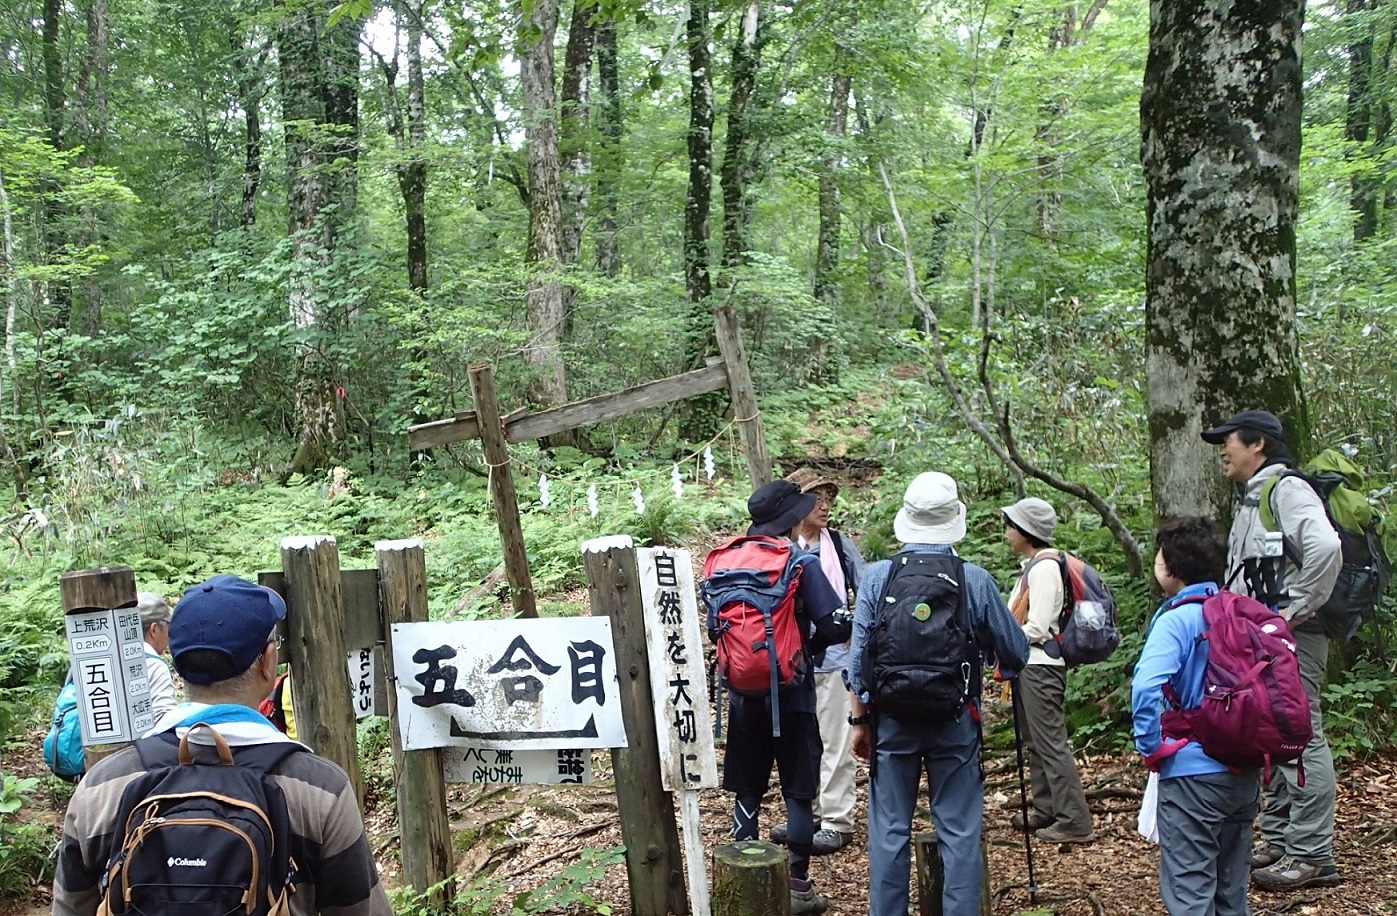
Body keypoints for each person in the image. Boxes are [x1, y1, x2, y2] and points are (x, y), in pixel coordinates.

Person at [53, 574, 392, 916]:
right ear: (268, 661)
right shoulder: (319, 789)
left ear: (177, 664)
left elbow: (70, 908)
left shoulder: (102, 787)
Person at [848, 472, 1030, 916]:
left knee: (890, 831)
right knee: (960, 832)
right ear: (954, 521)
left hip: (891, 722)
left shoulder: (877, 577)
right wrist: (995, 659)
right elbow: (1017, 652)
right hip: (956, 721)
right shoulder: (974, 579)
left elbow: (857, 665)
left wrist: (860, 721)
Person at [1201, 409, 1343, 891]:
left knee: (1302, 734)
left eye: (1229, 441)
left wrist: (1287, 614)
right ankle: (1284, 840)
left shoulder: (1286, 489)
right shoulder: (1257, 494)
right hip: (1269, 639)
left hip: (1293, 636)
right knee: (1274, 733)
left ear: (1257, 444)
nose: (1223, 450)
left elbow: (1325, 547)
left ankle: (1312, 853)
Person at [719, 479, 850, 915]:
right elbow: (835, 626)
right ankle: (796, 887)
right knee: (797, 794)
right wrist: (803, 652)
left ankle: (744, 877)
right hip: (792, 695)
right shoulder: (799, 562)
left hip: (742, 695)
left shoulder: (726, 561)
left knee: (747, 791)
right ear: (791, 519)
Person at [1133, 517, 1260, 915]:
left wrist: (1151, 746)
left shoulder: (1178, 619)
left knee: (1190, 891)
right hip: (1245, 766)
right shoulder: (1243, 612)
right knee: (1230, 891)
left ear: (1170, 569)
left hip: (1192, 771)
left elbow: (1146, 686)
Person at [768, 468, 865, 856]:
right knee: (802, 743)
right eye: (816, 499)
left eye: (828, 498)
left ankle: (837, 820)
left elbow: (868, 589)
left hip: (836, 658)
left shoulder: (839, 545)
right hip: (791, 661)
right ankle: (805, 813)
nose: (825, 506)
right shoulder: (778, 546)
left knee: (837, 741)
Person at [1001, 498, 1094, 844]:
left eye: (1012, 526)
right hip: (1032, 664)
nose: (1007, 533)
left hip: (1040, 664)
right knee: (1036, 742)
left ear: (1027, 532)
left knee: (1051, 743)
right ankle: (1046, 808)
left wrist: (1003, 639)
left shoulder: (1042, 569)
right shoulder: (1036, 565)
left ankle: (1075, 820)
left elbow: (1038, 626)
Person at [136, 591, 178, 722]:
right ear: (154, 629)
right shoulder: (154, 665)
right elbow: (164, 719)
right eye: (167, 626)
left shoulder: (105, 658)